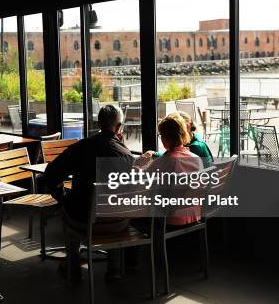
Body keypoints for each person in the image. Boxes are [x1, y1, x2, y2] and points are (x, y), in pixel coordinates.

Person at [44, 104, 134, 282]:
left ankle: (72, 264)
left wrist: (62, 197)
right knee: (113, 207)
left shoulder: (81, 147)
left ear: (99, 123)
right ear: (118, 127)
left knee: (69, 208)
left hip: (84, 221)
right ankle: (114, 269)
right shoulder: (127, 155)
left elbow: (51, 174)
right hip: (120, 224)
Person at [145, 113, 204, 225]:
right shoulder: (197, 159)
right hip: (194, 215)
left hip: (171, 219)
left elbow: (145, 186)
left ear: (165, 138)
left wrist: (137, 167)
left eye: (161, 135)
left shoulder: (162, 162)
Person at [145, 111, 213, 167]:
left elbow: (175, 157)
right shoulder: (194, 139)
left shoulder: (196, 146)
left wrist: (154, 154)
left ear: (187, 126)